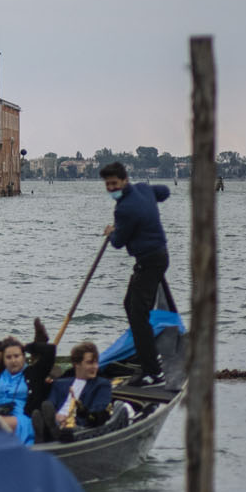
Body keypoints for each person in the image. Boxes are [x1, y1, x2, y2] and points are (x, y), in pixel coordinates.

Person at [101, 159, 170, 386]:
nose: (111, 188)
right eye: (107, 184)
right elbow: (165, 192)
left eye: (114, 183)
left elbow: (119, 242)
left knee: (139, 316)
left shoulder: (124, 209)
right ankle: (146, 351)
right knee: (130, 304)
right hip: (156, 257)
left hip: (150, 261)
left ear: (124, 180)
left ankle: (153, 372)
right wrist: (149, 200)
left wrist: (111, 232)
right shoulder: (143, 189)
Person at [37, 341, 113, 441]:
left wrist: (72, 419)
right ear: (77, 364)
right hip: (57, 421)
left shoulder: (102, 385)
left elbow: (97, 412)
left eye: (96, 362)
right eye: (90, 363)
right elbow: (50, 405)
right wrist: (57, 417)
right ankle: (50, 430)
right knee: (43, 410)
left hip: (80, 427)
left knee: (68, 430)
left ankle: (52, 433)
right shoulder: (59, 384)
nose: (95, 367)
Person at [0, 336, 41, 445]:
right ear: (3, 359)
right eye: (8, 357)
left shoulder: (32, 372)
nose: (13, 360)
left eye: (17, 356)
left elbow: (50, 352)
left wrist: (26, 347)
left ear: (23, 357)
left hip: (20, 415)